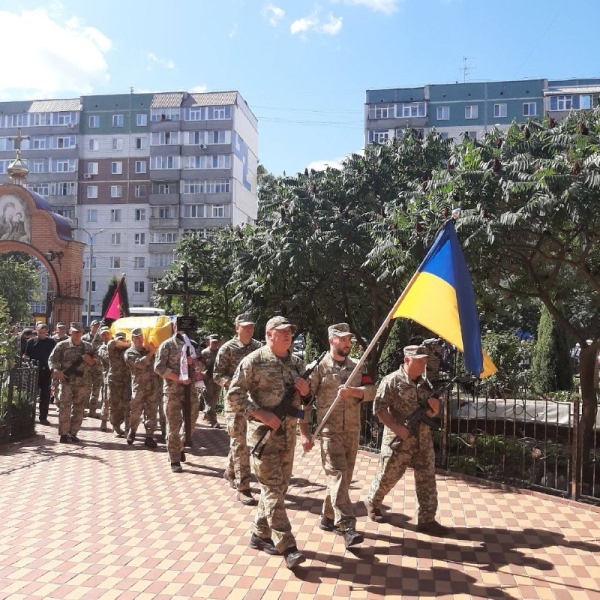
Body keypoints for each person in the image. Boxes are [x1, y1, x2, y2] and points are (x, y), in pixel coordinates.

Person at [226, 316, 310, 570]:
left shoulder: (297, 363)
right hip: (264, 437)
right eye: (282, 332)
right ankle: (288, 546)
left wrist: (307, 391)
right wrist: (260, 413)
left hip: (288, 437)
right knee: (273, 489)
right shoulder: (254, 361)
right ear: (269, 335)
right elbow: (233, 396)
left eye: (290, 332)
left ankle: (259, 534)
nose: (288, 335)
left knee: (278, 488)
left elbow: (307, 401)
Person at [299, 323, 375, 549]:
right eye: (342, 339)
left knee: (342, 479)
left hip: (352, 430)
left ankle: (328, 517)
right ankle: (347, 527)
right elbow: (305, 401)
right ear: (331, 340)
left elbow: (372, 391)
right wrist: (304, 432)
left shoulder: (358, 366)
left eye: (349, 340)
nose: (347, 344)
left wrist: (354, 392)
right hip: (329, 432)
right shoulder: (319, 368)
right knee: (339, 477)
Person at [366, 345, 448, 535]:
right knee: (388, 477)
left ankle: (427, 519)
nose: (422, 364)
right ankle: (373, 502)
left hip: (423, 441)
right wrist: (396, 428)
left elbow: (431, 412)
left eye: (424, 360)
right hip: (398, 440)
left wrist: (436, 409)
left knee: (427, 479)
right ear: (406, 360)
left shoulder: (426, 383)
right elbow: (379, 409)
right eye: (418, 361)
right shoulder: (392, 381)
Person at [214, 313, 262, 506]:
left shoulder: (259, 348)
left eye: (251, 326)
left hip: (254, 402)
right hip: (235, 402)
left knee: (243, 443)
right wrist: (232, 384)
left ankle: (231, 471)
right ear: (237, 328)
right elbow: (217, 375)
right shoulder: (227, 349)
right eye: (245, 327)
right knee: (239, 442)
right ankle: (244, 488)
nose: (249, 330)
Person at [154, 320, 200, 472]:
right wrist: (178, 378)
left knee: (191, 422)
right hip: (173, 391)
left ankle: (179, 446)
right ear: (174, 328)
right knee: (174, 426)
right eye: (179, 326)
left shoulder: (192, 345)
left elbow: (200, 366)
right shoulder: (167, 345)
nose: (182, 329)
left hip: (190, 391)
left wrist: (193, 363)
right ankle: (174, 459)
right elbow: (159, 368)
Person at [48, 322, 97, 443]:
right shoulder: (62, 345)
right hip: (66, 381)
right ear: (70, 332)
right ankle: (64, 434)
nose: (77, 334)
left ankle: (73, 432)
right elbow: (52, 359)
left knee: (79, 408)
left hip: (82, 382)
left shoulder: (88, 347)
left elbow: (96, 362)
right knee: (65, 407)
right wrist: (56, 371)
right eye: (75, 331)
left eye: (79, 332)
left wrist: (90, 360)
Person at [124, 328, 158, 448]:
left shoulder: (148, 350)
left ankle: (149, 436)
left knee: (151, 412)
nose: (139, 339)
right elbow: (140, 364)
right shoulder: (129, 353)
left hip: (152, 386)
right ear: (132, 338)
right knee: (135, 411)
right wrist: (150, 353)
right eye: (136, 337)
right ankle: (132, 431)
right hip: (139, 387)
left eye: (140, 337)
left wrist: (151, 351)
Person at [23, 322, 56, 425]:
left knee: (45, 396)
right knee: (31, 395)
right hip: (34, 372)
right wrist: (28, 361)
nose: (41, 334)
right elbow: (25, 355)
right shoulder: (31, 342)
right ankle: (29, 417)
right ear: (36, 331)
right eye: (40, 332)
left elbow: (55, 356)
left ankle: (43, 417)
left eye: (43, 332)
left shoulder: (51, 342)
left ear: (46, 332)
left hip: (46, 372)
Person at [107, 331, 132, 436]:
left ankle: (128, 429)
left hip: (127, 380)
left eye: (123, 338)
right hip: (115, 381)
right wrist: (126, 343)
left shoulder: (128, 350)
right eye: (119, 339)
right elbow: (111, 343)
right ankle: (116, 426)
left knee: (128, 405)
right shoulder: (112, 349)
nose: (120, 341)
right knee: (115, 405)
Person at [82, 320, 103, 418]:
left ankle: (92, 410)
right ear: (90, 327)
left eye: (98, 326)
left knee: (96, 389)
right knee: (86, 389)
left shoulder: (102, 338)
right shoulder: (84, 338)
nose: (96, 328)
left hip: (98, 367)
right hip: (87, 367)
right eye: (94, 326)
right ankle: (82, 409)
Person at [200, 334, 222, 428]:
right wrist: (201, 375)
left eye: (216, 342)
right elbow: (198, 366)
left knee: (215, 399)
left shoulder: (221, 352)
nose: (215, 344)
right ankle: (213, 421)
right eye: (213, 342)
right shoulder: (204, 353)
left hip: (218, 379)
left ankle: (206, 414)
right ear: (209, 342)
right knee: (209, 400)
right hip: (207, 380)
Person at [96, 327, 112, 431]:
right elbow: (109, 359)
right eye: (103, 335)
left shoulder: (118, 345)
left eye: (107, 334)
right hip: (107, 377)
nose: (105, 336)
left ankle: (116, 423)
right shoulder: (102, 348)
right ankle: (104, 421)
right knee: (106, 400)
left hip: (120, 377)